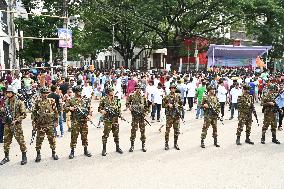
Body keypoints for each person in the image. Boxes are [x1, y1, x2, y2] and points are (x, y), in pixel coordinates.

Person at [0, 85, 27, 165]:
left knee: (21, 141)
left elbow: (24, 114)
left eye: (9, 92)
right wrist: (1, 111)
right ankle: (6, 157)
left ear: (13, 93)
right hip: (7, 125)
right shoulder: (5, 102)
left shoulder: (19, 102)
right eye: (7, 92)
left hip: (16, 125)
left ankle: (24, 157)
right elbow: (3, 113)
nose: (7, 94)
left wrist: (16, 120)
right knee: (6, 142)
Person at [32, 87, 59, 162]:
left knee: (52, 139)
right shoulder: (37, 102)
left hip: (50, 124)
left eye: (47, 93)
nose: (45, 94)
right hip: (41, 125)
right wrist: (34, 122)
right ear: (41, 94)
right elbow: (34, 113)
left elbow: (55, 111)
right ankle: (38, 154)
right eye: (44, 93)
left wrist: (56, 121)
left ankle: (53, 153)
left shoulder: (51, 101)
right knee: (39, 140)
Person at [65, 86, 92, 159]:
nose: (81, 92)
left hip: (84, 121)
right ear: (76, 92)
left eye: (81, 90)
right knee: (74, 137)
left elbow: (89, 108)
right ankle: (72, 151)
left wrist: (89, 115)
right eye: (79, 91)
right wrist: (70, 108)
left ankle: (85, 150)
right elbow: (65, 108)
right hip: (75, 121)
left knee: (84, 136)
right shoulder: (71, 100)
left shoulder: (85, 99)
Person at [98, 87, 123, 156]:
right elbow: (99, 108)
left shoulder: (116, 99)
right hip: (107, 120)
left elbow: (119, 108)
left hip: (115, 119)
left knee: (116, 134)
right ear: (108, 92)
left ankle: (117, 148)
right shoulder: (103, 99)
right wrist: (102, 111)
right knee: (105, 135)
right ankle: (104, 149)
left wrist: (120, 114)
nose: (113, 92)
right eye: (112, 91)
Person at [126, 84, 150, 152]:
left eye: (139, 88)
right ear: (135, 89)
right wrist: (129, 107)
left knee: (142, 131)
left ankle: (143, 145)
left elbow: (147, 107)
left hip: (142, 116)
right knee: (133, 131)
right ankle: (132, 146)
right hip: (135, 116)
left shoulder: (143, 96)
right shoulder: (132, 96)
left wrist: (145, 113)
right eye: (136, 88)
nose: (138, 89)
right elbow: (127, 103)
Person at [162, 84, 183, 150]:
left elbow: (181, 104)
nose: (173, 89)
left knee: (176, 130)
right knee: (167, 130)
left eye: (174, 88)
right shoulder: (166, 96)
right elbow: (163, 105)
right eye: (172, 88)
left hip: (176, 115)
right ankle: (166, 144)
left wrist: (178, 105)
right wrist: (168, 104)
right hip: (169, 116)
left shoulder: (178, 96)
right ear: (170, 89)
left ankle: (175, 143)